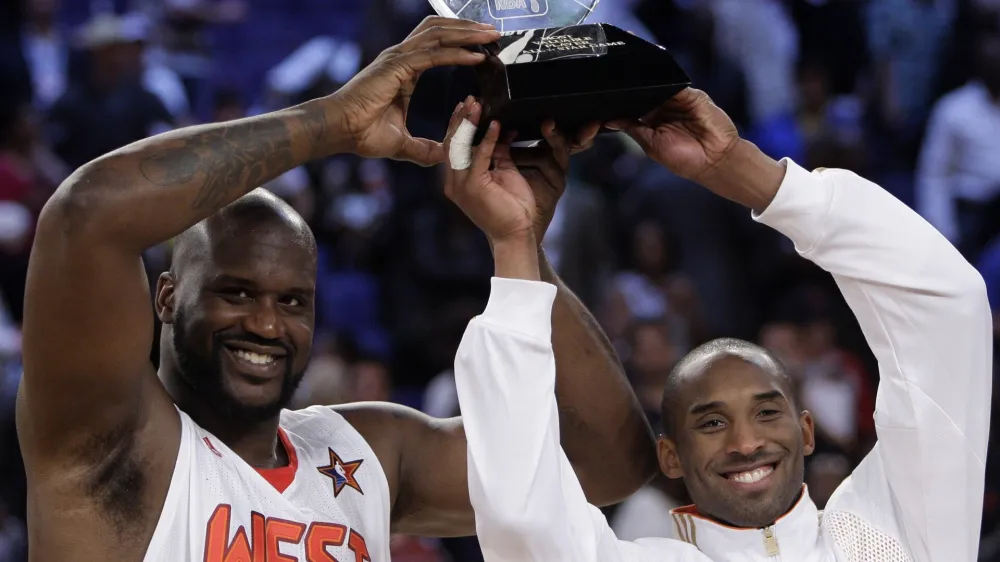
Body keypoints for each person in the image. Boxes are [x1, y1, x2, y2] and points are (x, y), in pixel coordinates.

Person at [16, 17, 659, 562]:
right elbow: (86, 213)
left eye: (292, 302)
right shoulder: (111, 442)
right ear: (166, 297)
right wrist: (334, 123)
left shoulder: (366, 454)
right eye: (235, 293)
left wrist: (519, 244)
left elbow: (605, 466)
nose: (267, 324)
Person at [451, 88, 993, 562]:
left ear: (806, 431)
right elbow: (523, 524)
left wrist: (746, 172)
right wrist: (514, 246)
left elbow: (946, 307)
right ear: (671, 456)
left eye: (767, 412)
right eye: (711, 423)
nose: (746, 442)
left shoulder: (894, 533)